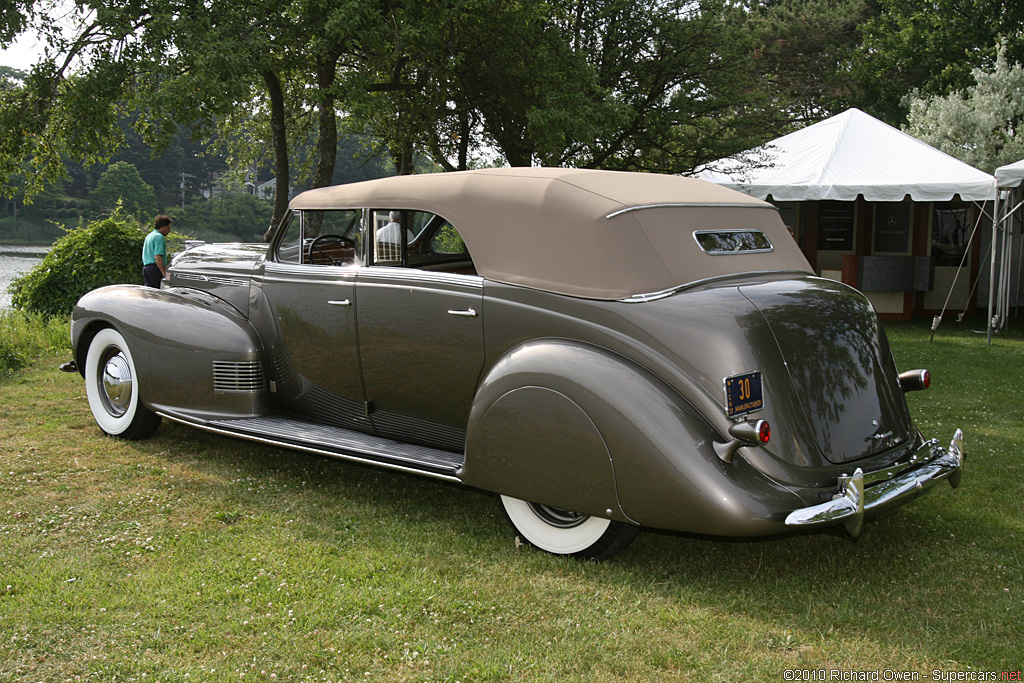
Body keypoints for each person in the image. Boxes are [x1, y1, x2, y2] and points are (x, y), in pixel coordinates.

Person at [142, 215, 172, 288]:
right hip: (155, 268)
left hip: (146, 268)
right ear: (163, 227)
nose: (169, 231)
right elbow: (158, 257)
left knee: (150, 292)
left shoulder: (150, 235)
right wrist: (164, 273)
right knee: (158, 293)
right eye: (168, 228)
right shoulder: (159, 237)